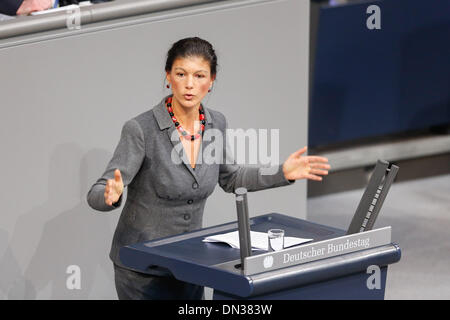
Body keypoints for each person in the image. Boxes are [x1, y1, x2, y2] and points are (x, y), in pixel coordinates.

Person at [87, 37, 331, 300]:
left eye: (199, 75)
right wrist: (111, 195)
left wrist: (282, 172)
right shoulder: (140, 129)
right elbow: (97, 192)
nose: (190, 84)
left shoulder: (216, 123)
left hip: (190, 262)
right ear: (168, 77)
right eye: (181, 74)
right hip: (142, 269)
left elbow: (231, 177)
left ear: (211, 81)